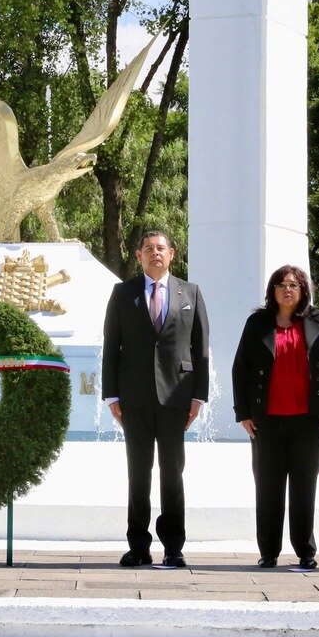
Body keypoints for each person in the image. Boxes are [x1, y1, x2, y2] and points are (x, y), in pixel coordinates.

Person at [102, 230, 209, 569]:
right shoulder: (123, 293)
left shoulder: (190, 292)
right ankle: (138, 546)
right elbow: (111, 346)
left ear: (172, 254)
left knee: (172, 474)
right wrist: (112, 394)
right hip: (133, 398)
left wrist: (198, 397)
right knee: (138, 473)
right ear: (138, 256)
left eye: (160, 248)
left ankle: (173, 547)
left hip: (176, 397)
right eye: (148, 249)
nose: (155, 253)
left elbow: (200, 349)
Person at [232, 265, 319, 570]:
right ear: (272, 291)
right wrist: (243, 412)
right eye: (281, 284)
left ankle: (305, 551)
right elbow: (240, 367)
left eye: (294, 284)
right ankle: (268, 552)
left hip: (310, 420)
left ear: (302, 290)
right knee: (268, 487)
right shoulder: (258, 323)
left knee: (304, 486)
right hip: (266, 419)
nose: (287, 289)